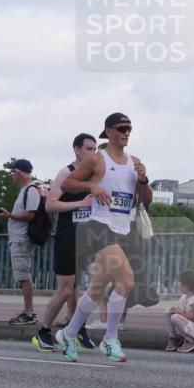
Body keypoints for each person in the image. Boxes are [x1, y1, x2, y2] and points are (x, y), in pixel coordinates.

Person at [54, 112, 152, 364]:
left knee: (96, 289)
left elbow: (146, 200)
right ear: (108, 131)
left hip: (123, 231)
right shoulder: (97, 159)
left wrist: (143, 180)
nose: (126, 133)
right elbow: (67, 184)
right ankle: (110, 338)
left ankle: (68, 333)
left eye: (129, 128)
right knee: (127, 280)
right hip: (97, 228)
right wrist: (91, 186)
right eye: (121, 128)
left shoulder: (135, 162)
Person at [32, 135, 97, 352]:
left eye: (95, 149)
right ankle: (43, 331)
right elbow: (50, 205)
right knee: (66, 290)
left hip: (89, 238)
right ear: (77, 150)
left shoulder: (95, 174)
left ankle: (77, 326)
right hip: (68, 236)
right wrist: (81, 203)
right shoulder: (66, 173)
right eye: (89, 148)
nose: (93, 153)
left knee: (95, 283)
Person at [0, 159, 39, 325]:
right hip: (18, 238)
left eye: (13, 172)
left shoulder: (31, 190)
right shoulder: (25, 190)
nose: (12, 175)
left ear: (19, 173)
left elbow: (31, 215)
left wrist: (10, 216)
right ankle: (27, 310)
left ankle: (29, 312)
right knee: (22, 275)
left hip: (21, 239)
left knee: (23, 276)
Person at [165, 270, 194, 353]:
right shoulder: (184, 297)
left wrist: (180, 313)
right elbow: (183, 312)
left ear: (185, 286)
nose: (177, 284)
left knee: (175, 317)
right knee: (168, 312)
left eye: (179, 283)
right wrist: (175, 310)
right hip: (189, 325)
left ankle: (191, 341)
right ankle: (173, 338)